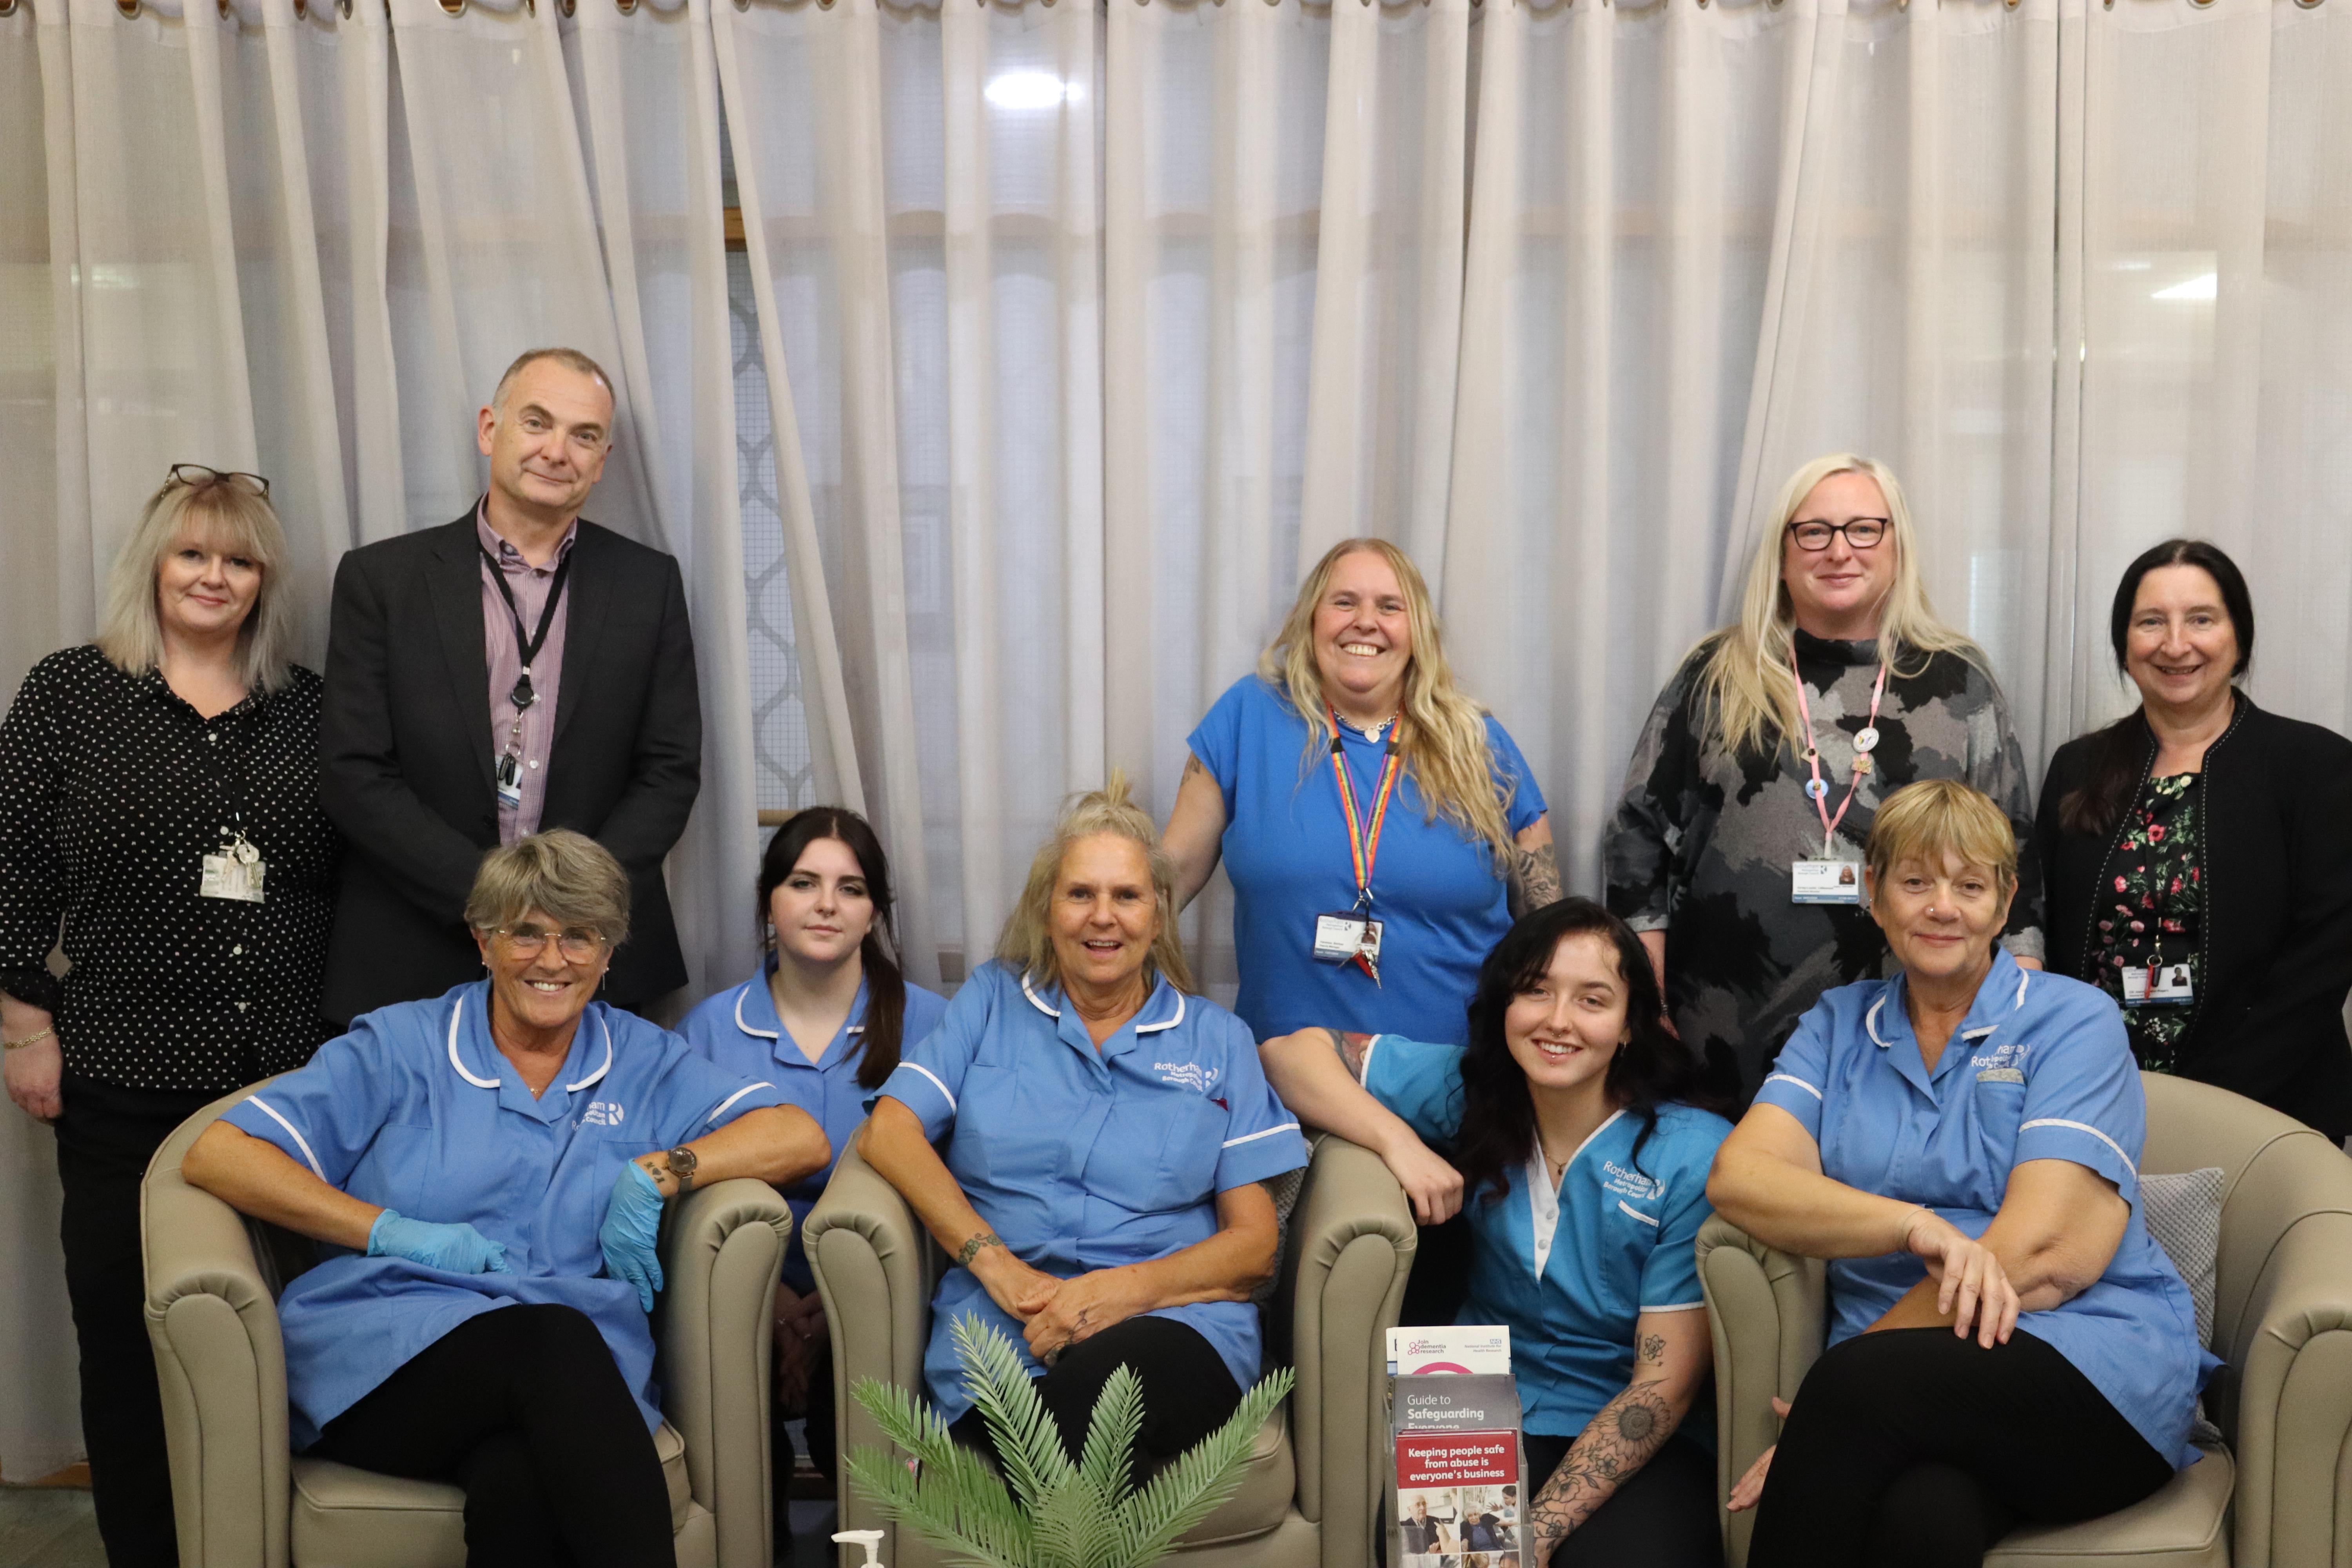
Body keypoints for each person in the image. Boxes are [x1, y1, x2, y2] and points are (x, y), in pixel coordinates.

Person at [180, 831, 827, 1568]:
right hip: (384, 1365)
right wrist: (388, 1231)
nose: (552, 960)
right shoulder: (402, 1045)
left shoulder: (643, 1058)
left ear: (610, 954)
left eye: (579, 938)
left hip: (570, 1392)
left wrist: (659, 1171)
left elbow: (799, 1136)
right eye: (526, 933)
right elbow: (220, 1154)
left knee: (519, 1486)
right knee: (550, 1339)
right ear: (483, 942)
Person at [1708, 780, 2211, 1568]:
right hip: (1916, 1406)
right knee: (1925, 1520)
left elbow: (2047, 1253)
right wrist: (1913, 1225)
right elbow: (1742, 1176)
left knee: (1849, 1395)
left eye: (1970, 884)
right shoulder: (1838, 1024)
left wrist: (1832, 1404)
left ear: (2005, 902)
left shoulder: (2071, 1019)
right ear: (1874, 894)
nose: (1943, 906)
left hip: (2089, 1370)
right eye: (1915, 881)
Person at [0, 466, 338, 1566]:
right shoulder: (68, 693)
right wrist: (25, 1028)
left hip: (286, 1083)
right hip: (118, 1075)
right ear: (153, 563)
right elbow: (13, 874)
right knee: (130, 1335)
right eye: (194, 553)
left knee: (292, 1332)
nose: (215, 576)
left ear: (265, 581)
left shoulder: (311, 708)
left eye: (240, 560)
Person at [857, 775, 1309, 1477]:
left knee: (1097, 1406)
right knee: (1055, 1439)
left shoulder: (1218, 1041)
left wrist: (1116, 1293)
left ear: (1158, 917)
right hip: (1006, 1323)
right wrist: (995, 1265)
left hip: (1170, 1328)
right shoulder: (991, 1001)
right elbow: (889, 1132)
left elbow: (1253, 1248)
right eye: (1081, 894)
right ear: (1047, 911)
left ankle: (978, 1479)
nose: (1105, 917)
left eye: (1127, 896)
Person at [1261, 899, 1730, 1568]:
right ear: (1505, 1003)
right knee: (1450, 1563)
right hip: (1471, 1389)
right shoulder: (1469, 1091)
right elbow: (1288, 1052)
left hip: (1630, 1411)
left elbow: (1663, 1387)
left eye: (1593, 1000)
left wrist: (1533, 1533)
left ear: (1631, 1025)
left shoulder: (1690, 1154)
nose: (1558, 1021)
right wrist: (1397, 1142)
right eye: (1536, 990)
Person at [1604, 454, 2043, 1105]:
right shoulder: (1718, 672)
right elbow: (1640, 838)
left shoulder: (1958, 684)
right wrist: (1646, 996)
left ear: (1897, 548)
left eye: (1864, 529)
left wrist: (2015, 1014)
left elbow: (2015, 855)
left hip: (1918, 1029)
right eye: (1814, 531)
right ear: (1783, 554)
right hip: (1722, 1030)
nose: (1840, 550)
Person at [320, 347, 700, 1023]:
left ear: (603, 459)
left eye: (584, 436)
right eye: (537, 423)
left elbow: (669, 772)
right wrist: (496, 901)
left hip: (594, 956)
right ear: (490, 430)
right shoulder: (383, 580)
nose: (558, 451)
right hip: (413, 951)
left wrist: (566, 907)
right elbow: (355, 772)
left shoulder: (650, 584)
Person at [1164, 538, 1555, 1047]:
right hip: (1296, 1094)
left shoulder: (1480, 743)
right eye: (1344, 602)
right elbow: (1166, 880)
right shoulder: (1248, 716)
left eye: (1390, 607)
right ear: (1311, 619)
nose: (1365, 622)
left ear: (1417, 632)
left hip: (1463, 1084)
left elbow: (1549, 932)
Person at [2035, 539, 2352, 1142]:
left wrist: (2214, 1097)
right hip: (2095, 1099)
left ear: (2239, 636)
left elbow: (2325, 959)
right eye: (2151, 622)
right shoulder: (2079, 767)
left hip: (2268, 1111)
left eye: (2201, 619)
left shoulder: (2317, 766)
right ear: (2125, 645)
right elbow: (2048, 933)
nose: (2175, 644)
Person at [676, 806, 947, 1489]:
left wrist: (827, 1315)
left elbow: (961, 1186)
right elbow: (681, 1197)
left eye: (850, 889)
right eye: (803, 883)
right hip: (737, 1305)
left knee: (851, 1450)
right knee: (741, 1466)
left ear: (874, 912)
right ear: (770, 902)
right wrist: (771, 1312)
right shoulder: (709, 1029)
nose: (827, 905)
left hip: (888, 1301)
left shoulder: (933, 1024)